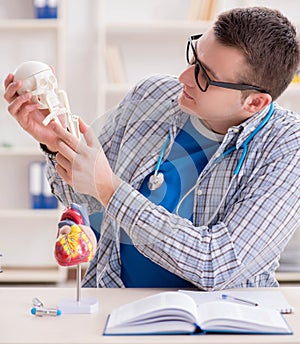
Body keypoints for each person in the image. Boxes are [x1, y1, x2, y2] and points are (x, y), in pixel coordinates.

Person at [4, 6, 300, 290]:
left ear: (255, 103)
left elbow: (218, 265)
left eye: (205, 76)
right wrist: (56, 142)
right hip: (116, 302)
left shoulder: (287, 147)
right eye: (193, 59)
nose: (184, 77)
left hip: (219, 320)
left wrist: (111, 189)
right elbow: (81, 197)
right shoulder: (153, 95)